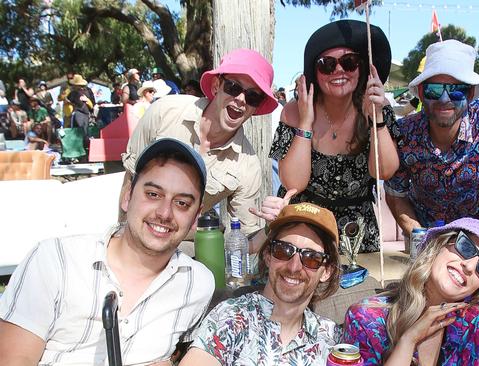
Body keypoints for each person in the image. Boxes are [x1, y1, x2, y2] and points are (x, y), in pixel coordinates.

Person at [0, 138, 215, 365]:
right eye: (153, 194)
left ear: (195, 218)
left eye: (181, 203)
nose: (164, 213)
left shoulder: (197, 284)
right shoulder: (55, 261)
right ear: (127, 195)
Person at [269, 19, 399, 253]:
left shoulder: (376, 106)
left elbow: (384, 172)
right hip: (304, 227)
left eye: (349, 62)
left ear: (362, 68)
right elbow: (292, 184)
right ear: (314, 72)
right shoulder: (294, 111)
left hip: (356, 231)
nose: (338, 70)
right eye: (327, 64)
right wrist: (306, 123)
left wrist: (377, 118)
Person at [122, 48, 278, 236]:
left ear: (257, 106)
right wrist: (122, 239)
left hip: (185, 249)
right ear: (216, 86)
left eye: (253, 96)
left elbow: (246, 238)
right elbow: (130, 178)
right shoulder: (164, 112)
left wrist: (276, 225)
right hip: (136, 235)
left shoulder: (248, 165)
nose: (241, 99)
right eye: (233, 87)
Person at [385, 40, 479, 243]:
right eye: (434, 89)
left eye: (456, 90)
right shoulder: (404, 132)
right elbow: (394, 193)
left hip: (476, 237)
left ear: (469, 94)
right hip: (423, 237)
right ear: (422, 94)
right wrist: (421, 238)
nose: (444, 99)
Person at [180, 202, 341, 365]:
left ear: (327, 271)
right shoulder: (232, 317)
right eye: (283, 250)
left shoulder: (331, 336)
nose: (294, 267)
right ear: (268, 255)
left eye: (311, 258)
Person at [342, 217, 479, 365]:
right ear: (439, 245)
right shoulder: (365, 318)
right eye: (466, 247)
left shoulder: (476, 326)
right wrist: (408, 340)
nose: (469, 267)